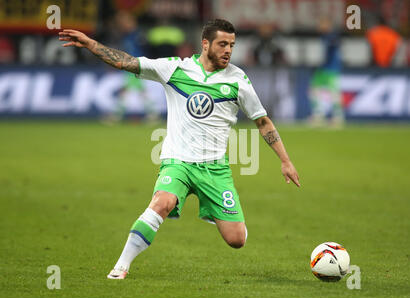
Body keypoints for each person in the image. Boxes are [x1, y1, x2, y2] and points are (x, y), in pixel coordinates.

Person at [59, 19, 300, 280]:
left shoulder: (238, 80)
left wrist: (285, 161)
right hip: (178, 162)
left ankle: (222, 216)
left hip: (215, 169)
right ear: (205, 44)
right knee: (162, 203)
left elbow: (262, 121)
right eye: (222, 44)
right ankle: (121, 265)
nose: (228, 50)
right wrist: (91, 44)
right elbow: (127, 62)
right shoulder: (174, 69)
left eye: (231, 45)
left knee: (236, 239)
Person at [309, 18, 344, 128]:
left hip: (332, 69)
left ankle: (338, 117)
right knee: (314, 90)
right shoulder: (323, 37)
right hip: (323, 69)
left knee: (334, 92)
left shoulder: (332, 36)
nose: (320, 26)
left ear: (328, 25)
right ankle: (318, 115)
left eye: (323, 23)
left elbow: (336, 44)